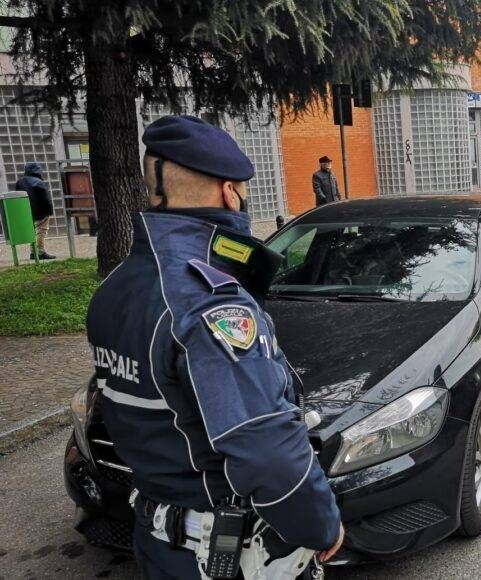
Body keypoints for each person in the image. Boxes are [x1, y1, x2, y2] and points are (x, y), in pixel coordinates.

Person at [86, 116, 343, 579]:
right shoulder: (208, 302)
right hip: (224, 557)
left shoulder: (115, 290)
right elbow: (266, 448)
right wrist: (321, 526)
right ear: (229, 193)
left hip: (159, 544)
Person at [14, 162, 56, 260]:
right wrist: (49, 210)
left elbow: (17, 195)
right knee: (41, 230)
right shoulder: (39, 182)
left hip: (26, 211)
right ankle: (40, 251)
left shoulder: (20, 181)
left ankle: (33, 252)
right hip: (40, 211)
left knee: (32, 231)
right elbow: (45, 198)